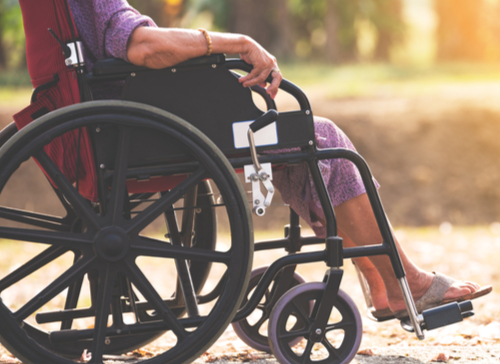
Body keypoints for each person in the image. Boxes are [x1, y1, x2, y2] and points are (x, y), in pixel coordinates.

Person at [68, 0, 490, 319]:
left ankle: (384, 282)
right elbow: (143, 47)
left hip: (127, 125)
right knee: (319, 135)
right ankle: (405, 283)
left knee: (306, 136)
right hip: (148, 133)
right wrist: (237, 43)